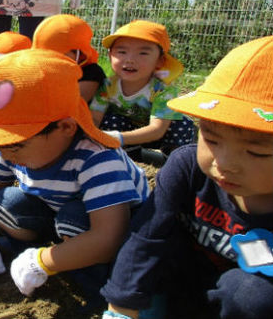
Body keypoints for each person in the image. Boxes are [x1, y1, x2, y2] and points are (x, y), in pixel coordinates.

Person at [0, 49, 149, 307]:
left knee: (73, 220)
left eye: (13, 145)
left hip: (115, 230)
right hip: (59, 212)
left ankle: (92, 288)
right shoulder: (12, 148)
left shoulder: (97, 159)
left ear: (65, 127)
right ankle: (35, 257)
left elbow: (109, 237)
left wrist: (42, 262)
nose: (4, 153)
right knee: (3, 203)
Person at [100, 35, 273, 319]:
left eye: (256, 153)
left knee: (250, 293)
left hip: (243, 302)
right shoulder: (187, 167)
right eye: (212, 140)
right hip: (181, 285)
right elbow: (145, 239)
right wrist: (120, 311)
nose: (225, 164)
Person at [90, 20, 194, 162]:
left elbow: (157, 129)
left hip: (158, 135)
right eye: (122, 52)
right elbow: (95, 118)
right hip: (127, 134)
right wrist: (91, 136)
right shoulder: (108, 85)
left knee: (182, 125)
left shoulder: (162, 90)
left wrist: (118, 137)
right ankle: (129, 156)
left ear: (160, 61)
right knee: (111, 120)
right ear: (110, 56)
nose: (130, 59)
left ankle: (175, 161)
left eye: (143, 53)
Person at [32, 14, 106, 103]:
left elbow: (73, 104)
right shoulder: (42, 70)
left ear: (80, 53)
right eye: (45, 56)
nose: (51, 61)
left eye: (59, 55)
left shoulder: (91, 72)